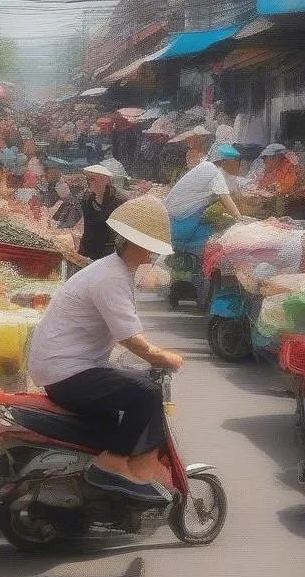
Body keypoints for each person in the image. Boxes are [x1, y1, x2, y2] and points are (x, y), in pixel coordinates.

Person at [28, 195, 183, 504]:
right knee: (148, 393)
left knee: (130, 394)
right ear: (134, 243)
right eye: (150, 245)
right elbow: (129, 337)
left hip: (64, 368)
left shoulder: (112, 271)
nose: (152, 253)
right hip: (66, 372)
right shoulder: (110, 277)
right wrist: (164, 357)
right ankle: (112, 465)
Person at [163, 144, 243, 252]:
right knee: (219, 232)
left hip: (169, 216)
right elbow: (226, 199)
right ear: (227, 162)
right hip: (181, 222)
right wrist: (241, 221)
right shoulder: (216, 174)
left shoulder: (205, 165)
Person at [77, 164, 130, 262]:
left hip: (110, 250)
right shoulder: (86, 197)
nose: (89, 182)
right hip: (88, 247)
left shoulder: (119, 200)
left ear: (105, 181)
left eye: (92, 179)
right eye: (87, 179)